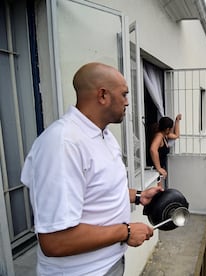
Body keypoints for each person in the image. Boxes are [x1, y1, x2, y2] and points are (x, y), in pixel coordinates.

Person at [20, 62, 164, 275]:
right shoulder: (63, 145)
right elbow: (55, 241)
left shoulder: (103, 135)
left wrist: (138, 196)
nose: (127, 102)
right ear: (103, 95)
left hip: (109, 264)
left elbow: (97, 192)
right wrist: (125, 232)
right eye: (124, 94)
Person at [149, 114, 182, 181]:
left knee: (160, 189)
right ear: (167, 129)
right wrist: (158, 168)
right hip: (154, 170)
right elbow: (153, 149)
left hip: (158, 169)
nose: (171, 129)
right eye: (171, 128)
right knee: (159, 190)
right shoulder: (159, 136)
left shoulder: (164, 135)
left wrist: (177, 121)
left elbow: (176, 135)